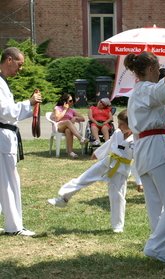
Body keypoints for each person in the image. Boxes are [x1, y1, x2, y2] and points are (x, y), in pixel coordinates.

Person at [125, 51, 165, 264]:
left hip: (146, 149)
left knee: (158, 206)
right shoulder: (145, 90)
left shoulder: (143, 91)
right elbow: (163, 92)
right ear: (152, 69)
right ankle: (155, 247)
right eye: (158, 68)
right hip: (156, 148)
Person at [48, 109, 137, 233]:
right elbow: (109, 144)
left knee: (118, 197)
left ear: (132, 124)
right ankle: (63, 198)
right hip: (107, 162)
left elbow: (139, 160)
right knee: (84, 178)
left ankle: (118, 226)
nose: (119, 126)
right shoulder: (117, 133)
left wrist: (139, 182)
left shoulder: (137, 139)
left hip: (121, 170)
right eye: (119, 122)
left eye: (122, 124)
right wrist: (97, 153)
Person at [0, 47, 42, 236]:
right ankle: (14, 226)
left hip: (5, 137)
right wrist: (29, 103)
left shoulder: (2, 82)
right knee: (9, 182)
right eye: (19, 64)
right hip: (3, 138)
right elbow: (6, 112)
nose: (21, 68)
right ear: (9, 60)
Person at [52, 93, 87, 158]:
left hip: (68, 127)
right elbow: (57, 118)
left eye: (73, 100)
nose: (72, 102)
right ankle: (80, 138)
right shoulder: (57, 108)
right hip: (59, 126)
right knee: (68, 121)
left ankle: (70, 152)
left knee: (68, 130)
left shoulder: (71, 110)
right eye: (70, 101)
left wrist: (75, 118)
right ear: (64, 101)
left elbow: (83, 118)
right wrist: (65, 109)